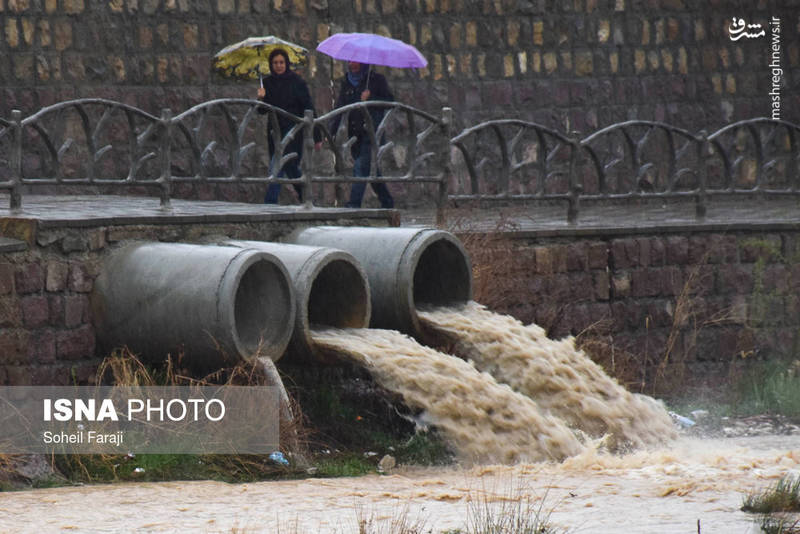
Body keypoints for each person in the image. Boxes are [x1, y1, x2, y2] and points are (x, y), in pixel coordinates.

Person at [256, 48, 320, 204]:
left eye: (281, 62)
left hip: (293, 133)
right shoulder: (268, 83)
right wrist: (261, 98)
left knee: (278, 164)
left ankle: (270, 203)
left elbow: (309, 108)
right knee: (290, 168)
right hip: (275, 133)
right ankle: (306, 197)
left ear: (286, 63)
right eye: (275, 63)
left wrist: (317, 136)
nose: (279, 66)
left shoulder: (297, 82)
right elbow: (262, 111)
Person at [332, 62, 395, 209]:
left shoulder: (376, 80)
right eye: (350, 61)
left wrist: (371, 97)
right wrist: (332, 129)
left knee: (361, 167)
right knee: (372, 171)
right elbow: (341, 107)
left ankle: (353, 205)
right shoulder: (346, 82)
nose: (352, 64)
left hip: (372, 133)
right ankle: (387, 202)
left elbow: (390, 101)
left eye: (356, 62)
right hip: (355, 134)